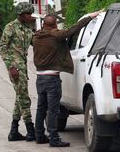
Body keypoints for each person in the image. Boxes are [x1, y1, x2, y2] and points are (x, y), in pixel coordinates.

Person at [32, 10, 103, 147]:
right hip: (52, 79)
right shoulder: (56, 36)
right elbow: (75, 28)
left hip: (39, 78)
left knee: (41, 108)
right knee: (53, 110)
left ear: (43, 24)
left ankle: (39, 135)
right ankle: (54, 138)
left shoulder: (36, 36)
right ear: (55, 25)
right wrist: (90, 16)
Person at [0, 2, 36, 142]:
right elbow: (2, 47)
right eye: (28, 14)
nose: (30, 16)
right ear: (21, 15)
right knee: (25, 98)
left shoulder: (27, 29)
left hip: (23, 65)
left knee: (19, 98)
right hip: (16, 67)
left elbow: (35, 42)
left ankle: (13, 131)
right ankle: (31, 130)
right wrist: (10, 67)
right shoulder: (11, 27)